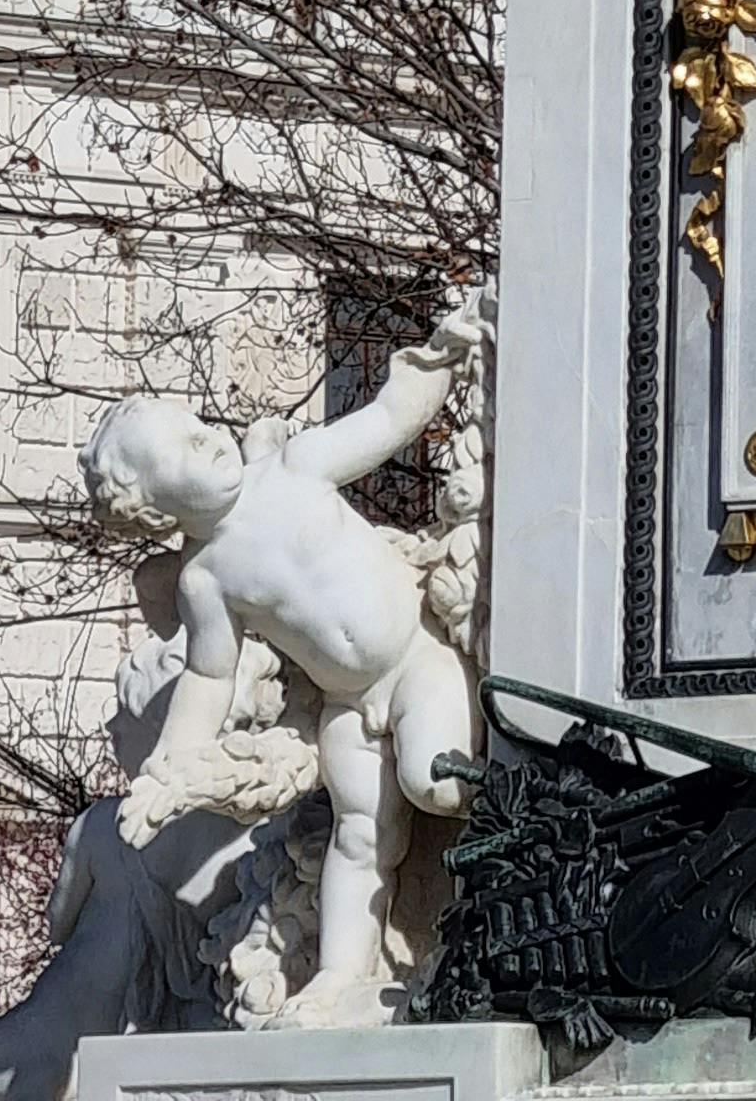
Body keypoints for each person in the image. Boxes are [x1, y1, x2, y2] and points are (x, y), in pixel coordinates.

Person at [84, 294, 484, 1024]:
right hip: (347, 706)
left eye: (196, 426)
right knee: (359, 833)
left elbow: (391, 420)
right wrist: (168, 771)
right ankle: (338, 976)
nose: (203, 438)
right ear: (154, 508)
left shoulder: (294, 466)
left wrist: (444, 353)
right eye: (177, 450)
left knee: (438, 787)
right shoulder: (206, 581)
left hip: (416, 653)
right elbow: (210, 678)